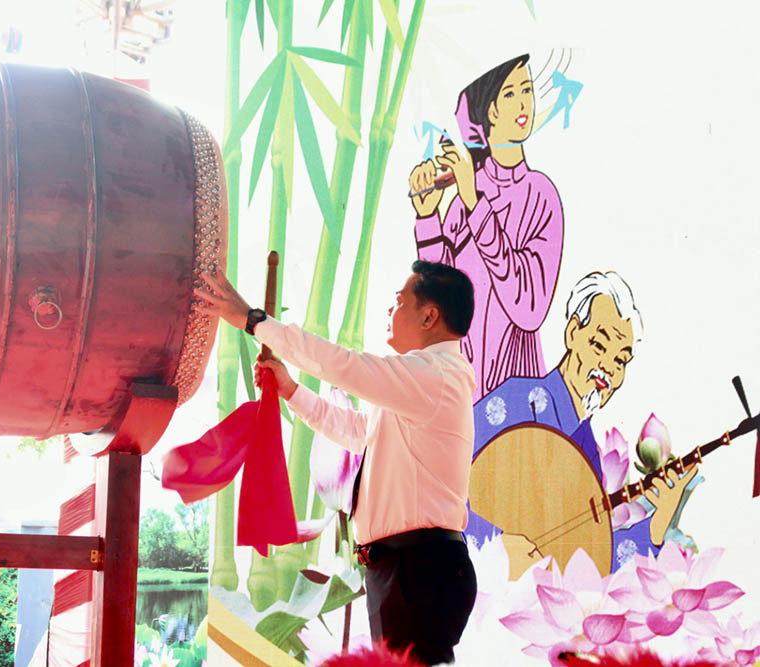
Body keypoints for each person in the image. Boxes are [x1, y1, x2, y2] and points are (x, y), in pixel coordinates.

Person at [196, 260, 477, 666]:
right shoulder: (425, 383)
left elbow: (343, 365)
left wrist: (254, 320)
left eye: (400, 302)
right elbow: (358, 431)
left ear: (430, 316)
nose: (390, 311)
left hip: (419, 571)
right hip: (407, 570)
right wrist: (291, 390)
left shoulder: (435, 375)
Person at [469, 271, 698, 577]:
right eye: (599, 346)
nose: (607, 369)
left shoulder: (586, 449)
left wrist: (655, 528)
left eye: (620, 361)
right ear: (573, 332)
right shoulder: (517, 401)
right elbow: (438, 483)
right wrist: (495, 543)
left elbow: (591, 561)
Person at [409, 54, 563, 401]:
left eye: (527, 89)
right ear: (489, 111)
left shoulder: (541, 194)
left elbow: (530, 308)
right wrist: (428, 218)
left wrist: (476, 203)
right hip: (458, 386)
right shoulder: (463, 194)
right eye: (509, 94)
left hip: (513, 391)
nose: (524, 102)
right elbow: (439, 304)